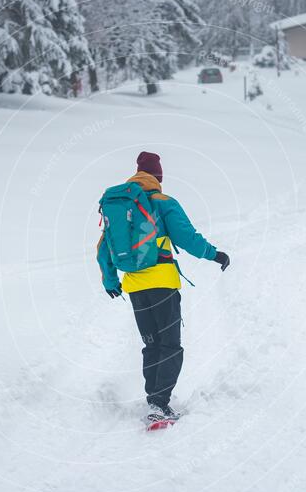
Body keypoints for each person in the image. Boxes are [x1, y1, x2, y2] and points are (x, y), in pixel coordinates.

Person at [96, 152, 230, 423]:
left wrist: (111, 281)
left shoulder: (122, 205)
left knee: (151, 344)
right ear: (158, 177)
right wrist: (214, 254)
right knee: (170, 345)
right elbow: (187, 237)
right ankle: (159, 404)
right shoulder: (162, 201)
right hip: (162, 284)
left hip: (134, 286)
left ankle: (154, 399)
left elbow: (103, 247)